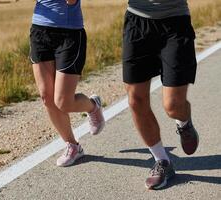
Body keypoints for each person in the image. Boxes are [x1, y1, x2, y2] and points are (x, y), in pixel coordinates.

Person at [122, 0, 199, 189]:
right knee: (136, 99)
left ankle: (184, 122)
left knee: (173, 105)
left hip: (175, 22)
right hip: (137, 20)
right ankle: (162, 161)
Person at [29, 0, 105, 167]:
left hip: (69, 34)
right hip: (40, 30)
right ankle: (73, 145)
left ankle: (93, 106)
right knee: (47, 97)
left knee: (63, 102)